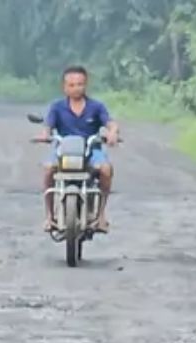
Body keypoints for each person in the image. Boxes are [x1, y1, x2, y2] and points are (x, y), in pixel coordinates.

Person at [36, 65, 119, 233]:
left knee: (106, 169)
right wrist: (45, 135)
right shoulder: (57, 107)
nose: (76, 88)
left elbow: (110, 123)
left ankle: (101, 216)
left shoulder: (96, 106)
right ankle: (49, 216)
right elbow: (48, 126)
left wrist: (112, 133)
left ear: (85, 85)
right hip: (63, 151)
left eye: (80, 84)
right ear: (64, 87)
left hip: (90, 151)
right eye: (71, 85)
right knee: (48, 168)